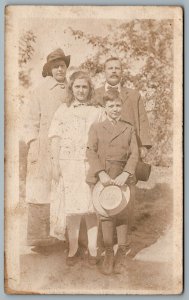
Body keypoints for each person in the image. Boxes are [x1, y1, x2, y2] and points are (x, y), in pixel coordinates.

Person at [48, 71, 102, 266]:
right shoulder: (63, 109)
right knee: (72, 209)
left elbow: (102, 141)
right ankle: (73, 249)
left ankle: (94, 249)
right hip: (68, 163)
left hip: (89, 163)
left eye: (84, 87)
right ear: (72, 88)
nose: (81, 90)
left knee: (91, 207)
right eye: (77, 86)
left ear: (90, 89)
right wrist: (55, 164)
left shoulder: (97, 111)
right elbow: (55, 137)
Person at [86, 89, 139, 275]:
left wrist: (126, 173)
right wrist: (100, 173)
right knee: (107, 214)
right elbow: (90, 151)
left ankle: (121, 254)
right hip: (105, 177)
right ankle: (109, 253)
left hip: (123, 176)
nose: (115, 109)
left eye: (118, 105)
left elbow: (135, 154)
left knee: (123, 213)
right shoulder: (96, 127)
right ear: (104, 107)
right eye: (111, 106)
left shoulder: (129, 128)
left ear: (122, 106)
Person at [25, 48, 70, 252]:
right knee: (41, 188)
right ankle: (39, 238)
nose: (60, 69)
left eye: (63, 66)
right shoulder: (40, 90)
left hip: (66, 145)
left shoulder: (71, 88)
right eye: (56, 66)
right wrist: (33, 145)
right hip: (43, 146)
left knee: (63, 187)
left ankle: (63, 235)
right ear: (49, 69)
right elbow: (31, 120)